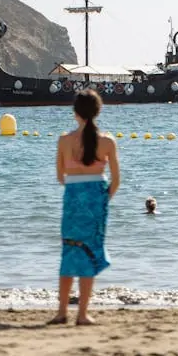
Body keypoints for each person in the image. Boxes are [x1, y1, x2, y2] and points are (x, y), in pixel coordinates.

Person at [49, 89, 121, 326]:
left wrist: (77, 191)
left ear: (75, 112)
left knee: (69, 251)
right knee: (90, 253)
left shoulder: (64, 140)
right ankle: (82, 314)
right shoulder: (108, 142)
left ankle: (61, 313)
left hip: (72, 198)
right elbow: (116, 181)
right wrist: (101, 200)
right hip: (96, 199)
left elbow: (61, 177)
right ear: (98, 111)